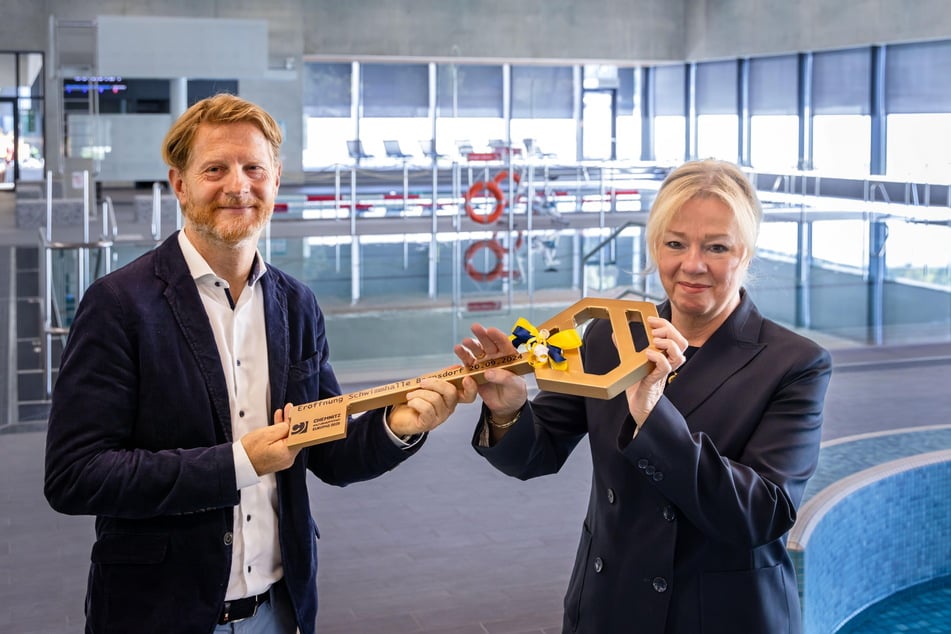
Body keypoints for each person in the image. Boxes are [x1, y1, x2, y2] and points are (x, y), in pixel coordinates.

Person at [44, 93, 473, 634]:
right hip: (159, 614)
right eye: (215, 169)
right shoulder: (119, 305)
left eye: (254, 168)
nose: (238, 186)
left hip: (279, 611)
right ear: (180, 184)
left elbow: (327, 450)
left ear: (275, 178)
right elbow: (74, 476)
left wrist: (398, 428)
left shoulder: (296, 304)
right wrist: (238, 463)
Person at [455, 159, 832, 633]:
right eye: (675, 244)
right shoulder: (608, 336)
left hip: (719, 614)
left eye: (716, 247)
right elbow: (537, 454)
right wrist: (508, 409)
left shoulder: (793, 363)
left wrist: (651, 416)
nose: (692, 264)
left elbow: (762, 515)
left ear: (746, 254)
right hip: (609, 603)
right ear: (655, 247)